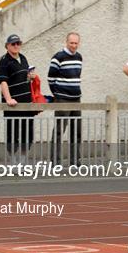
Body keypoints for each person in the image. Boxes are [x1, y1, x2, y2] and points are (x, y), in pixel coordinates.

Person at [0, 34, 35, 165]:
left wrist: (31, 77)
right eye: (13, 44)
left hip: (27, 103)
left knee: (28, 134)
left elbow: (25, 79)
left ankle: (23, 161)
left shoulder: (23, 58)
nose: (16, 46)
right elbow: (3, 82)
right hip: (13, 105)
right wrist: (8, 99)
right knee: (12, 134)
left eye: (18, 43)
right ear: (7, 46)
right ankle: (13, 162)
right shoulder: (4, 60)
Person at [48, 32, 83, 167]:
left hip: (76, 99)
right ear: (66, 42)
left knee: (77, 131)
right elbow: (51, 78)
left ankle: (75, 160)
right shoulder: (58, 57)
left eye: (76, 43)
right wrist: (57, 94)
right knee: (58, 131)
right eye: (71, 43)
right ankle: (55, 161)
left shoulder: (79, 57)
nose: (74, 46)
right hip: (62, 99)